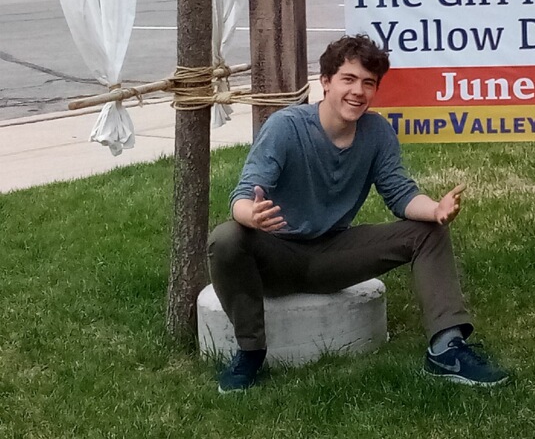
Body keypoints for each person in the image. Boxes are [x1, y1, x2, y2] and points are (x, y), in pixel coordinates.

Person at [207, 34, 509, 393]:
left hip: (334, 253)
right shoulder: (286, 127)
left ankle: (447, 349)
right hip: (275, 256)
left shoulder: (377, 131)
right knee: (225, 238)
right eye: (348, 80)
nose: (358, 92)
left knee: (428, 231)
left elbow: (400, 194)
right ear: (325, 82)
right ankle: (250, 353)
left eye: (368, 83)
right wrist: (251, 216)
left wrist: (435, 209)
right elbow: (243, 194)